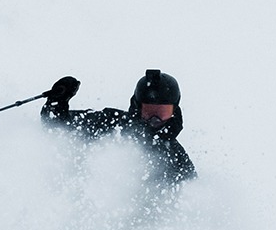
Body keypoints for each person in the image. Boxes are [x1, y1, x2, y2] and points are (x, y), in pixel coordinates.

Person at [40, 69, 196, 184]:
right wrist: (57, 102)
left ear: (174, 112)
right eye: (148, 112)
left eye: (162, 112)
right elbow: (58, 128)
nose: (154, 120)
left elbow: (192, 199)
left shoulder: (176, 157)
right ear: (137, 108)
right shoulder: (112, 124)